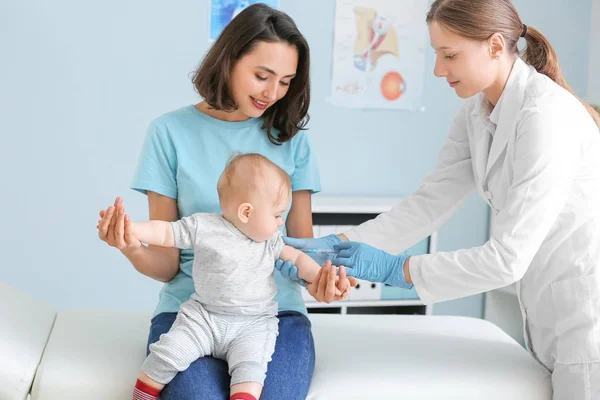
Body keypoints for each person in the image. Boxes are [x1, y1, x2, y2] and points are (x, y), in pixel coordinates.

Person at [283, 1, 600, 398]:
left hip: (586, 317)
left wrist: (399, 270)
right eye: (436, 53)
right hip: (548, 313)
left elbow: (507, 260)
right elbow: (428, 203)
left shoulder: (546, 116)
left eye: (450, 55)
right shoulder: (476, 112)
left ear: (496, 46)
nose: (438, 70)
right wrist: (342, 246)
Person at [96, 4, 353, 399]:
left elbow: (301, 247)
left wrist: (320, 283)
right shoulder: (169, 133)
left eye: (286, 81)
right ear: (229, 60)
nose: (272, 92)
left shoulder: (293, 140)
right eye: (262, 76)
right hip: (190, 313)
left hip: (274, 316)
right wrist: (130, 245)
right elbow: (167, 265)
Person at [116, 154, 350, 400]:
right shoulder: (204, 227)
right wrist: (130, 230)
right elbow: (164, 232)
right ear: (246, 212)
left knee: (250, 373)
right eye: (277, 215)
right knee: (167, 355)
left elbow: (299, 259)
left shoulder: (270, 242)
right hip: (203, 318)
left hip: (253, 324)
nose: (281, 222)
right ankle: (141, 395)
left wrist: (324, 276)